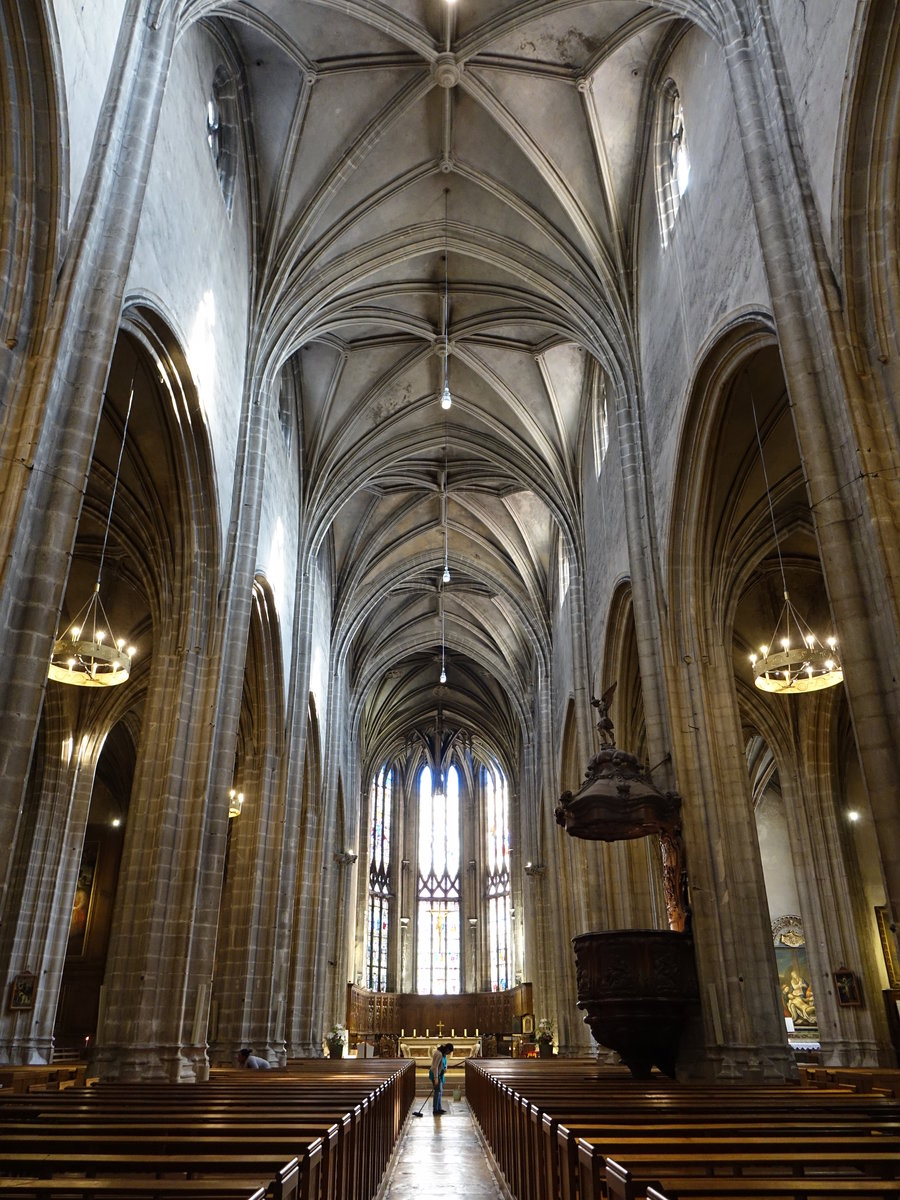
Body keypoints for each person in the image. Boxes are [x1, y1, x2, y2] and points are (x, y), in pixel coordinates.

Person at [429, 1041, 453, 1115]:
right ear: (447, 1049)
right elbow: (435, 1067)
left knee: (440, 1091)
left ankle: (439, 1108)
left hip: (440, 1074)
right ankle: (435, 1109)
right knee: (437, 1092)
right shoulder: (439, 1054)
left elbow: (445, 1063)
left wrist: (445, 1067)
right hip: (435, 1074)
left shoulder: (443, 1054)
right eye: (449, 1052)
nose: (449, 1054)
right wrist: (436, 1078)